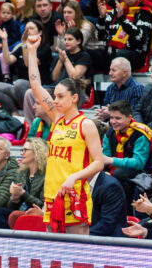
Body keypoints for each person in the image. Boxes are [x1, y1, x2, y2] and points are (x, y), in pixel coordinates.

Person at [27, 35, 104, 234]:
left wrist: (74, 177)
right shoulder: (56, 118)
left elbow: (99, 163)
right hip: (52, 195)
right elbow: (36, 86)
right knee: (53, 252)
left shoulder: (86, 125)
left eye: (60, 96)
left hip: (74, 195)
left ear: (74, 98)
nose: (55, 100)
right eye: (55, 96)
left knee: (77, 251)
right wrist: (32, 51)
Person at [93, 0, 152, 72]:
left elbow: (139, 38)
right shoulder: (114, 12)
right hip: (113, 54)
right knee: (91, 54)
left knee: (121, 56)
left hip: (135, 56)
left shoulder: (144, 13)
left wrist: (122, 19)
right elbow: (100, 37)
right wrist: (102, 18)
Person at [0, 21, 52, 121]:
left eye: (31, 28)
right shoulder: (21, 47)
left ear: (40, 32)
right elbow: (7, 61)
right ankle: (15, 114)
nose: (28, 31)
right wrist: (4, 40)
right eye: (26, 29)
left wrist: (24, 44)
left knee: (19, 84)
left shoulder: (45, 49)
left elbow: (28, 63)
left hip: (38, 90)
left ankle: (28, 116)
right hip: (19, 89)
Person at [0, 138, 47, 229]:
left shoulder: (46, 175)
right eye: (21, 150)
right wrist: (14, 198)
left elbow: (42, 205)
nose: (21, 153)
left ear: (37, 152)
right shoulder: (21, 172)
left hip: (37, 214)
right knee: (0, 211)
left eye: (25, 150)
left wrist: (23, 194)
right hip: (20, 212)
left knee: (2, 213)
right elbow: (11, 206)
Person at [102, 99, 152, 202]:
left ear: (129, 117)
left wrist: (111, 160)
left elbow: (139, 163)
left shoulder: (140, 134)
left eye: (118, 118)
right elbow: (105, 156)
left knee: (119, 173)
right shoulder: (110, 133)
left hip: (142, 171)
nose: (113, 122)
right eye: (111, 118)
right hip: (116, 168)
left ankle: (126, 208)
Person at [95, 57, 144, 122]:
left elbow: (134, 113)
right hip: (113, 125)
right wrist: (103, 114)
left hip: (130, 126)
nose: (110, 73)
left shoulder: (137, 88)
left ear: (124, 73)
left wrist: (111, 112)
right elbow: (106, 109)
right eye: (110, 70)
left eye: (113, 70)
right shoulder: (110, 88)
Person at [89, 169, 128, 237]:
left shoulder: (111, 186)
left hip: (110, 238)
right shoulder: (78, 183)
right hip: (88, 233)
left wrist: (82, 235)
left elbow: (107, 223)